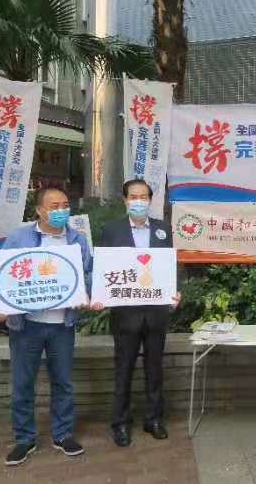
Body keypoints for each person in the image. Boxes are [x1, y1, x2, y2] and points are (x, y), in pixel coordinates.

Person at [0, 187, 100, 466]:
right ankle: (24, 439)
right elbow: (1, 273)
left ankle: (62, 434)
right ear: (39, 210)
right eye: (54, 206)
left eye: (65, 205)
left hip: (63, 324)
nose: (61, 210)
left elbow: (87, 273)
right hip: (26, 325)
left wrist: (87, 293)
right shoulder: (19, 237)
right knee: (22, 384)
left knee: (63, 382)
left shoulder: (77, 239)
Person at [100, 179, 180, 447]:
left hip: (156, 313)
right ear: (125, 200)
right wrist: (100, 294)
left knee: (155, 369)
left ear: (150, 200)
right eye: (133, 197)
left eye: (143, 197)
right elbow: (103, 269)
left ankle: (153, 419)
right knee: (123, 369)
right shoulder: (112, 230)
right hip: (125, 313)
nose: (138, 201)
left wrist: (174, 291)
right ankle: (120, 423)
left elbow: (170, 267)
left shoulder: (162, 229)